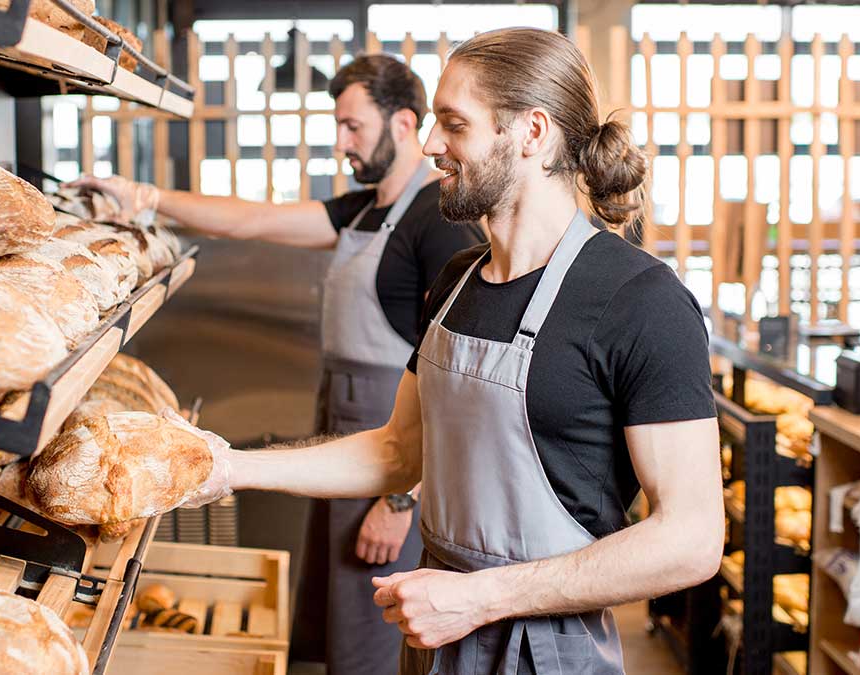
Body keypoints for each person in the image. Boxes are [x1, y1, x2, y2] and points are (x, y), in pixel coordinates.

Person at [180, 27, 725, 674]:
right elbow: (396, 451)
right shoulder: (458, 280)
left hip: (544, 653)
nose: (432, 145)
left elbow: (692, 538)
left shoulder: (641, 300)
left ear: (531, 131)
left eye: (453, 124)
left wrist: (480, 597)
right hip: (436, 633)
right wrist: (228, 467)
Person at [72, 55, 484, 675]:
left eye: (353, 126)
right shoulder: (365, 210)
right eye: (338, 125)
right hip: (345, 440)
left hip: (394, 456)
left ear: (402, 124)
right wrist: (146, 198)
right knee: (341, 622)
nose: (341, 142)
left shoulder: (438, 225)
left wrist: (402, 502)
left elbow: (461, 386)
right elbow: (253, 219)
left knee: (378, 629)